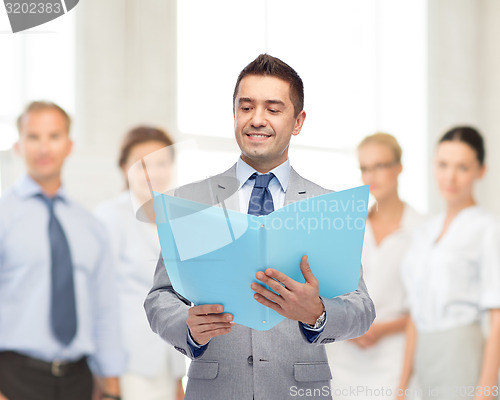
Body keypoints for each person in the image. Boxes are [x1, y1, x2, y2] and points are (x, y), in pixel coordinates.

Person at [144, 54, 376, 400]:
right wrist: (188, 327)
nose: (257, 120)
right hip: (216, 389)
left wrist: (318, 313)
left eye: (273, 108)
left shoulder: (327, 205)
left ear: (298, 121)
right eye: (246, 107)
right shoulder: (193, 200)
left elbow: (361, 307)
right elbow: (160, 297)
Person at [0, 101, 125, 400]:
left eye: (54, 136)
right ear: (18, 145)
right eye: (33, 137)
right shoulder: (3, 216)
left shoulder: (90, 226)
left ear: (69, 145)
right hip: (14, 379)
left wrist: (111, 388)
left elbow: (104, 308)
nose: (44, 148)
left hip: (79, 381)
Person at [399, 126, 500, 400]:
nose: (450, 177)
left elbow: (497, 315)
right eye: (443, 165)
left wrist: (486, 392)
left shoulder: (487, 228)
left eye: (462, 167)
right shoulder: (424, 232)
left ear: (481, 171)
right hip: (424, 356)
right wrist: (402, 386)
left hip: (462, 352)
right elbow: (414, 314)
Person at [325, 133, 423, 399]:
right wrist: (353, 327)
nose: (372, 176)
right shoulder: (348, 227)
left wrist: (378, 328)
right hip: (344, 357)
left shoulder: (422, 230)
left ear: (399, 167)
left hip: (393, 358)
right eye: (365, 168)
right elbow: (331, 291)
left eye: (380, 166)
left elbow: (422, 307)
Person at [95, 126, 186, 400]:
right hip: (127, 364)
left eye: (162, 163)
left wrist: (177, 374)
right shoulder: (109, 217)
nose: (154, 173)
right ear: (125, 168)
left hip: (169, 360)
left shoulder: (177, 221)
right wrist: (107, 373)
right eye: (143, 164)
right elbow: (100, 299)